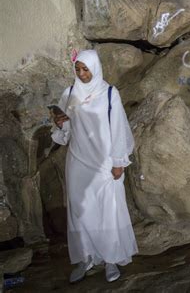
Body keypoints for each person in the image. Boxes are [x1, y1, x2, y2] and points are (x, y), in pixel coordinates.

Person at [51, 50, 138, 283]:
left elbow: (118, 128)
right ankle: (85, 257)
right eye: (78, 69)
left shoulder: (110, 93)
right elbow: (65, 133)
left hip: (104, 162)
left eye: (86, 68)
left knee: (106, 210)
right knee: (80, 210)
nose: (82, 73)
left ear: (95, 68)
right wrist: (60, 123)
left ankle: (110, 258)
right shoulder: (69, 93)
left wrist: (119, 162)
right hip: (78, 161)